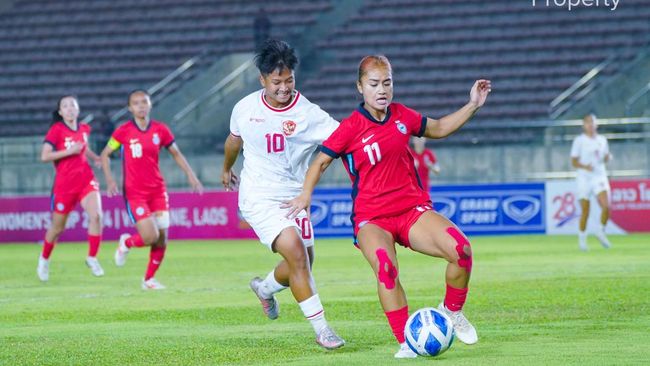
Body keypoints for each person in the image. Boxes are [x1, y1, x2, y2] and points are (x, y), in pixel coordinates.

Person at [284, 55, 491, 358]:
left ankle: (452, 311)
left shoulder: (402, 116)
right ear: (360, 87)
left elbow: (439, 128)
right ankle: (406, 340)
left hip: (411, 210)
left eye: (387, 83)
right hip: (372, 219)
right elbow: (320, 161)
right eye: (373, 84)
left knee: (461, 250)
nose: (382, 90)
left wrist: (472, 105)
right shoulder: (350, 127)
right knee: (386, 267)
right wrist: (305, 195)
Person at [222, 39, 344, 350]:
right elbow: (233, 142)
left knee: (302, 264)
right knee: (296, 252)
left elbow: (342, 141)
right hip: (257, 195)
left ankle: (264, 289)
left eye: (289, 80)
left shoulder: (309, 114)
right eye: (276, 81)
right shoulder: (245, 108)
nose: (284, 87)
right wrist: (226, 169)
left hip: (294, 198)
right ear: (262, 79)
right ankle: (323, 330)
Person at [100, 90, 203, 290]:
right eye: (136, 103)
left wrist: (190, 174)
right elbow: (105, 154)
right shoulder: (123, 131)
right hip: (134, 192)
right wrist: (110, 181)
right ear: (130, 108)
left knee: (162, 238)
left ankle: (148, 280)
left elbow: (176, 153)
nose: (140, 106)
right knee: (150, 237)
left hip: (157, 191)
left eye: (144, 102)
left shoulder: (160, 130)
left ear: (150, 105)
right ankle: (126, 243)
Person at [37, 95, 105, 281]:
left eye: (72, 105)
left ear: (78, 109)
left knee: (97, 216)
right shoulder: (56, 130)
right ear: (60, 112)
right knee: (58, 228)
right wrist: (69, 151)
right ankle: (44, 259)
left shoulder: (84, 128)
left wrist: (95, 157)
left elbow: (83, 147)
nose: (69, 109)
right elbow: (44, 156)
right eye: (65, 106)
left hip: (85, 180)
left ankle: (92, 257)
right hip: (64, 185)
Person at [570, 114, 612, 251]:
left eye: (592, 122)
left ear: (596, 124)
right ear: (584, 125)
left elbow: (604, 157)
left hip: (599, 176)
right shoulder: (579, 141)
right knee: (585, 211)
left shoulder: (602, 140)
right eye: (587, 123)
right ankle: (582, 239)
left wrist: (607, 158)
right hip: (584, 178)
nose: (590, 125)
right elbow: (574, 161)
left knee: (607, 205)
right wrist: (585, 166)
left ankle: (600, 231)